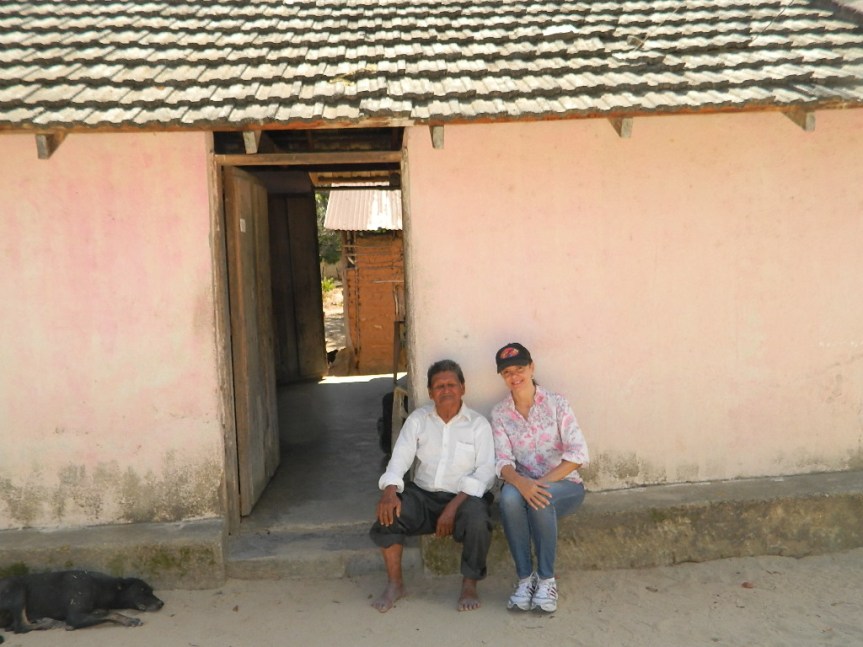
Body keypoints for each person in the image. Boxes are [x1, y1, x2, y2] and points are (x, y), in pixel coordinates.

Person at [369, 359, 496, 613]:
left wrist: (452, 508)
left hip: (464, 499)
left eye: (451, 384)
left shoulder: (478, 425)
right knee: (388, 515)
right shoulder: (419, 419)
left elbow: (486, 473)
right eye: (439, 386)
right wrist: (390, 490)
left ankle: (469, 584)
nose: (446, 390)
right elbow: (399, 460)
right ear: (430, 392)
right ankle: (396, 584)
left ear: (462, 388)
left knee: (478, 520)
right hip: (423, 496)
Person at [490, 342, 589, 613]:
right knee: (509, 499)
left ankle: (546, 579)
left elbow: (577, 454)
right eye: (507, 372)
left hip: (564, 485)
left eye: (520, 368)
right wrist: (522, 483)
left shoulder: (557, 403)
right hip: (522, 485)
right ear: (502, 376)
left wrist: (538, 484)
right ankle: (525, 579)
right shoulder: (500, 414)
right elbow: (502, 461)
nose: (514, 376)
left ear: (532, 368)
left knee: (540, 498)